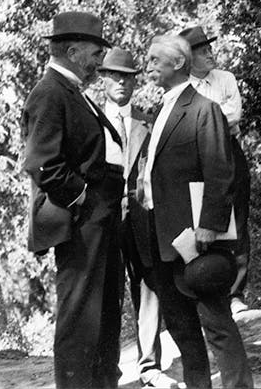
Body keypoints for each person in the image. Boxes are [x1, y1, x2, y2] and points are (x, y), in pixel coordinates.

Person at [138, 34, 253, 388]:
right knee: (182, 330)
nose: (149, 66)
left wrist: (209, 227)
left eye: (156, 60)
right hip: (162, 238)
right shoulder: (161, 111)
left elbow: (220, 171)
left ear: (177, 63)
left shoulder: (204, 108)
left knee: (216, 324)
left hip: (195, 240)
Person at [22, 11, 125, 388]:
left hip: (100, 219)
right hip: (81, 222)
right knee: (80, 318)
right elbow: (42, 163)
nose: (100, 59)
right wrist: (85, 200)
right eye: (96, 52)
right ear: (72, 50)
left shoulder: (72, 92)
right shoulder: (49, 92)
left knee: (103, 314)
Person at [98, 48, 179, 388]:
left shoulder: (150, 121)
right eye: (114, 75)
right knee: (106, 295)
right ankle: (107, 371)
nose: (120, 81)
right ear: (102, 79)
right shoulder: (91, 120)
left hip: (144, 221)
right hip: (104, 223)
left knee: (149, 291)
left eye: (127, 75)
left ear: (135, 81)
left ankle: (149, 367)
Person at [179, 25, 252, 315]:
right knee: (203, 219)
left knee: (239, 219)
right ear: (188, 57)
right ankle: (208, 292)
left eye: (210, 48)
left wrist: (205, 120)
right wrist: (213, 117)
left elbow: (235, 114)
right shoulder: (184, 86)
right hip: (196, 160)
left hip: (230, 152)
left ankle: (236, 293)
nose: (211, 54)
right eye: (203, 50)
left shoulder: (225, 78)